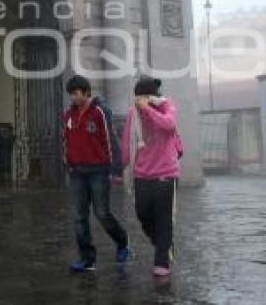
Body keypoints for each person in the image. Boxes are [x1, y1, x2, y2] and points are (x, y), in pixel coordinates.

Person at [62, 75, 130, 272]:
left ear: (86, 92)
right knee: (78, 216)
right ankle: (87, 259)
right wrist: (68, 162)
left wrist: (116, 169)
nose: (73, 98)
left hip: (98, 171)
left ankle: (122, 242)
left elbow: (111, 140)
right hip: (77, 172)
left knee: (102, 213)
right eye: (71, 94)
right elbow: (65, 140)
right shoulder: (68, 115)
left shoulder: (100, 111)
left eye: (75, 94)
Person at [120, 76, 183, 277]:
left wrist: (147, 109)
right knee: (142, 213)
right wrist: (120, 167)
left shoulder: (167, 107)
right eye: (137, 97)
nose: (139, 101)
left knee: (164, 219)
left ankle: (162, 261)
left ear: (152, 97)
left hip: (166, 173)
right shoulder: (133, 113)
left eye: (143, 96)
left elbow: (169, 125)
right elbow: (127, 140)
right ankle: (163, 244)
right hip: (142, 174)